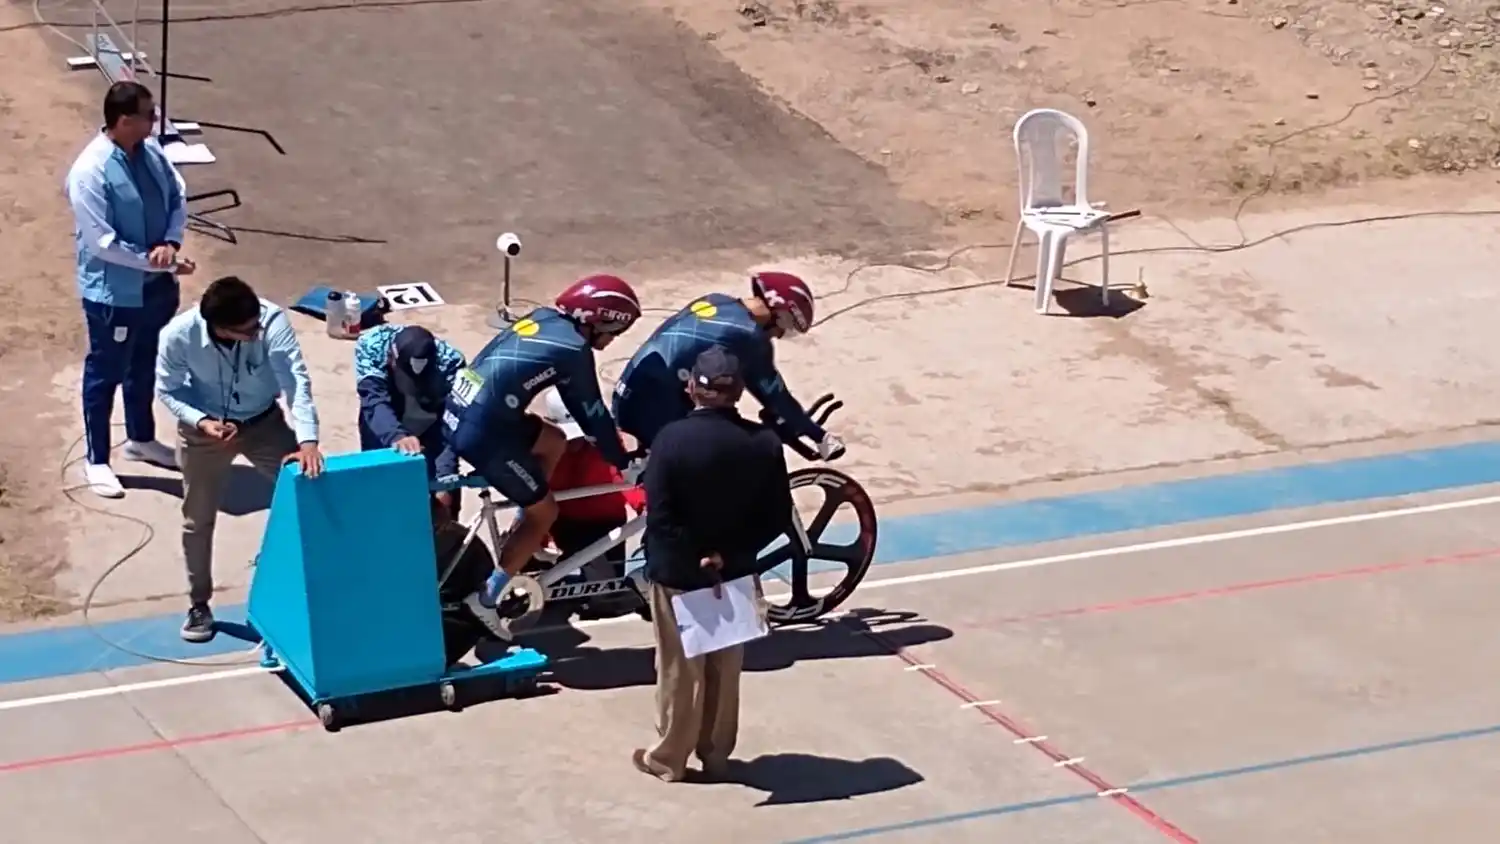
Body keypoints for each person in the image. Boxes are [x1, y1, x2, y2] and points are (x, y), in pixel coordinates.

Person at [444, 274, 645, 639]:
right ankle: (487, 600)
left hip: (466, 412)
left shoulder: (544, 318)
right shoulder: (573, 350)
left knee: (552, 439)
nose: (612, 341)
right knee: (546, 510)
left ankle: (528, 538)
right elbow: (591, 413)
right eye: (614, 332)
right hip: (485, 431)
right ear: (599, 321)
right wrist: (622, 459)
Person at [632, 346, 792, 783]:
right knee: (726, 667)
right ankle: (717, 754)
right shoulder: (764, 443)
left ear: (691, 389)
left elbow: (661, 516)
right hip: (735, 570)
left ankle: (669, 758)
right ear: (739, 391)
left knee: (679, 670)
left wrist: (698, 552)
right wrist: (726, 553)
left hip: (678, 572)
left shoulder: (670, 440)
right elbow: (778, 516)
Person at [156, 276, 326, 643]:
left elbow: (295, 380)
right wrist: (201, 421)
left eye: (256, 327)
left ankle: (321, 590)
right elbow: (168, 388)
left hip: (264, 424)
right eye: (245, 332)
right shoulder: (178, 335)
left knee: (309, 494)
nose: (255, 334)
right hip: (204, 430)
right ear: (218, 328)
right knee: (197, 520)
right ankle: (199, 603)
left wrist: (308, 440)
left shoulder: (272, 323)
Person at [66, 80, 197, 498]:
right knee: (105, 374)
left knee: (144, 365)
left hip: (157, 289)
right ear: (124, 121)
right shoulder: (90, 171)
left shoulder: (152, 151)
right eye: (148, 114)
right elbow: (101, 242)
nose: (155, 121)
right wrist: (156, 259)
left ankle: (141, 439)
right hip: (114, 295)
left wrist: (171, 243)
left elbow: (177, 194)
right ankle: (97, 460)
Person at [612, 271, 844, 461]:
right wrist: (819, 436)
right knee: (730, 457)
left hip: (630, 396)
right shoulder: (749, 335)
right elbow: (774, 394)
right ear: (781, 313)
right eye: (787, 327)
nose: (781, 334)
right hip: (651, 411)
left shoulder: (716, 300)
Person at [536, 388, 646, 619]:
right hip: (563, 523)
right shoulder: (545, 446)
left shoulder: (605, 441)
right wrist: (537, 538)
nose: (575, 443)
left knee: (606, 602)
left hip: (605, 528)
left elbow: (624, 475)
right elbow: (536, 489)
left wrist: (643, 505)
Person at [353, 323, 467, 518]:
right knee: (381, 489)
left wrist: (445, 480)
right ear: (391, 358)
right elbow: (374, 402)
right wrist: (396, 435)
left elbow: (451, 423)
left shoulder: (452, 363)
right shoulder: (371, 345)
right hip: (386, 414)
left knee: (445, 498)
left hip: (431, 419)